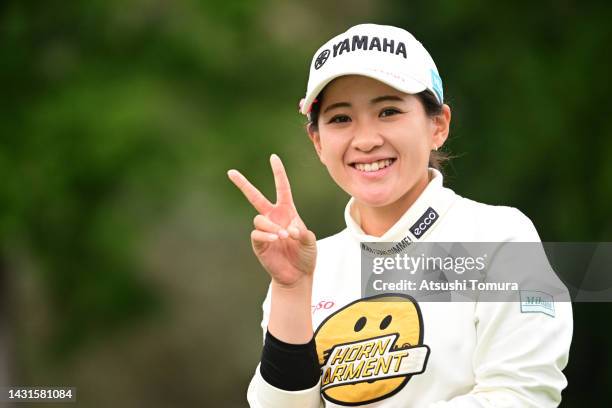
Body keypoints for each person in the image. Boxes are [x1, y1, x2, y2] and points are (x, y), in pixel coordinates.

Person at [228, 23, 572, 408]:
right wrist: (291, 290)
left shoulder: (500, 236)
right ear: (318, 142)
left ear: (438, 125)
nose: (366, 139)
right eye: (341, 118)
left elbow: (522, 396)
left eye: (388, 111)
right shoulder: (308, 267)